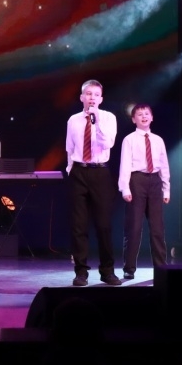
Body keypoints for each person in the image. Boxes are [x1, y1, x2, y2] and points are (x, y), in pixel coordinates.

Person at [66, 79, 121, 286]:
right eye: (88, 94)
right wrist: (70, 168)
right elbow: (70, 148)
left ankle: (107, 271)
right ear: (82, 97)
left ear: (101, 99)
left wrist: (96, 122)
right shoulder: (73, 120)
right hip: (79, 172)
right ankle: (81, 272)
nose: (92, 98)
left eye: (96, 95)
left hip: (100, 172)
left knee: (103, 225)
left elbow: (108, 143)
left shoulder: (108, 118)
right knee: (78, 226)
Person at [117, 103, 170, 280]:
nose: (144, 117)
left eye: (147, 113)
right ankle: (129, 268)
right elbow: (125, 164)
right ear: (134, 119)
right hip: (136, 180)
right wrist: (125, 188)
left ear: (152, 117)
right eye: (139, 114)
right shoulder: (129, 139)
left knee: (157, 228)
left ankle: (161, 268)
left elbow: (164, 165)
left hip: (155, 181)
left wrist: (166, 189)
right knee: (134, 227)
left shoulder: (158, 140)